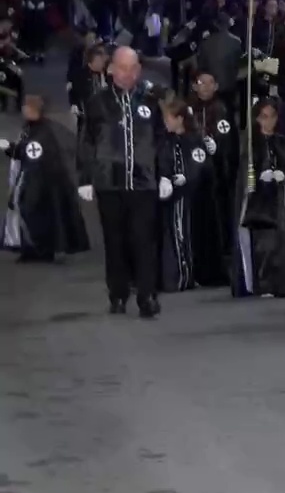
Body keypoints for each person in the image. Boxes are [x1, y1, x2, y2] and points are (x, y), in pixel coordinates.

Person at [78, 46, 163, 317]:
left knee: (144, 241)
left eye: (133, 68)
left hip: (144, 182)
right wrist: (85, 178)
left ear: (139, 70)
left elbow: (162, 140)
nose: (127, 73)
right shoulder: (97, 102)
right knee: (114, 242)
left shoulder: (151, 100)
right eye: (122, 68)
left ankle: (147, 296)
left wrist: (165, 174)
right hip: (109, 183)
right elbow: (86, 142)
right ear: (111, 68)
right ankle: (118, 294)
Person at [230, 98, 285, 299]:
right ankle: (264, 282)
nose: (268, 122)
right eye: (263, 117)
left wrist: (284, 176)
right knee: (265, 243)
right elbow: (245, 175)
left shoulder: (284, 142)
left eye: (272, 117)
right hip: (261, 205)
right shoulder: (250, 145)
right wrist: (258, 178)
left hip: (282, 202)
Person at [2, 95, 89, 261]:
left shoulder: (42, 131)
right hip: (40, 178)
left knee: (33, 211)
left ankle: (41, 249)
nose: (24, 110)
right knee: (33, 212)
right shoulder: (34, 128)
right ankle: (32, 248)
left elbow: (31, 152)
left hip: (40, 180)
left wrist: (11, 148)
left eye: (27, 107)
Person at [157, 91, 210, 292]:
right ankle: (174, 274)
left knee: (181, 234)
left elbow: (198, 163)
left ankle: (184, 276)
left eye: (168, 118)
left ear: (179, 119)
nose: (165, 122)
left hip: (185, 196)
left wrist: (184, 177)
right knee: (173, 234)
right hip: (170, 195)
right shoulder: (166, 139)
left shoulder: (193, 140)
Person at [188, 72, 238, 286]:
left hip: (217, 175)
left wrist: (217, 148)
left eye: (210, 83)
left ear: (216, 86)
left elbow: (227, 139)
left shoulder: (221, 109)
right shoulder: (189, 110)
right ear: (194, 86)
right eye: (201, 83)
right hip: (194, 175)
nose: (205, 87)